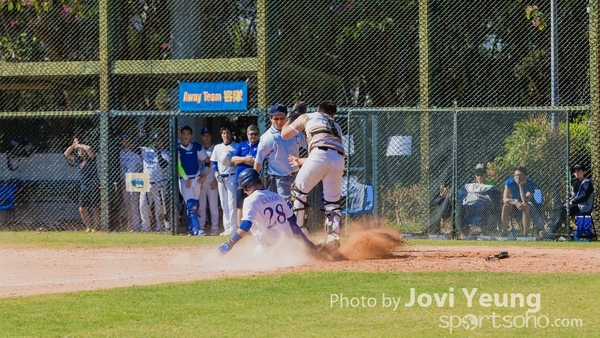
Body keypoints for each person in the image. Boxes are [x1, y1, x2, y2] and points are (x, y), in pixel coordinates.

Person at [282, 100, 345, 250]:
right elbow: (328, 152)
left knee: (298, 192)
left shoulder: (308, 116)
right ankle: (333, 237)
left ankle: (300, 235)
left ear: (318, 109)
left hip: (318, 156)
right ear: (333, 115)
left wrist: (294, 114)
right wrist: (300, 161)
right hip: (339, 160)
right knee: (333, 203)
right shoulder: (336, 126)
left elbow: (284, 134)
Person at [218, 168, 316, 255]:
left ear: (248, 185)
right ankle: (293, 252)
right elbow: (293, 224)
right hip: (287, 243)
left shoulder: (250, 200)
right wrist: (308, 244)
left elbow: (246, 225)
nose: (244, 191)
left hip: (270, 248)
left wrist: (230, 243)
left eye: (244, 188)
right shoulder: (277, 196)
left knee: (254, 257)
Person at [254, 103, 307, 202]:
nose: (279, 122)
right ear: (270, 119)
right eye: (276, 119)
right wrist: (254, 180)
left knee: (300, 206)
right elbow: (258, 161)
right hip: (279, 179)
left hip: (297, 176)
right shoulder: (267, 138)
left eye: (282, 118)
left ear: (287, 117)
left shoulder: (294, 132)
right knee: (286, 207)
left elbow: (308, 146)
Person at [177, 126, 209, 236]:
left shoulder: (197, 147)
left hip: (196, 179)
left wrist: (205, 174)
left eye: (188, 134)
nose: (186, 136)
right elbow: (178, 165)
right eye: (184, 133)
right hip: (185, 180)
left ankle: (190, 228)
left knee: (195, 204)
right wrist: (185, 179)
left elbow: (207, 161)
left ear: (191, 135)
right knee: (191, 204)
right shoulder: (177, 148)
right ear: (180, 135)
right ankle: (197, 229)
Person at [64, 137, 100, 232]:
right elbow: (66, 153)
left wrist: (78, 145)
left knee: (95, 208)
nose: (80, 151)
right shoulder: (78, 160)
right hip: (84, 187)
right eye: (78, 150)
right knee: (82, 209)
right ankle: (88, 226)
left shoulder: (91, 158)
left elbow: (88, 148)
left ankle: (96, 227)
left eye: (81, 150)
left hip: (93, 186)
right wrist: (73, 145)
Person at [547, 164, 595, 233]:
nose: (577, 173)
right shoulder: (574, 183)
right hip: (574, 205)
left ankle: (552, 231)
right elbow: (571, 195)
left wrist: (572, 202)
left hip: (583, 206)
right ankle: (549, 227)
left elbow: (584, 196)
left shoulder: (587, 183)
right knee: (557, 208)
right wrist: (565, 201)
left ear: (584, 172)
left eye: (579, 171)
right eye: (575, 171)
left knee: (563, 209)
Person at [140, 133, 171, 232]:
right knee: (142, 205)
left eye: (160, 141)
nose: (158, 142)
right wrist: (143, 134)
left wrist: (158, 152)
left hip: (159, 184)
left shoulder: (165, 153)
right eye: (156, 140)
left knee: (159, 207)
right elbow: (135, 144)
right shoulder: (145, 150)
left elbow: (163, 165)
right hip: (146, 183)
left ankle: (159, 227)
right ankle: (146, 227)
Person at [210, 126, 238, 236]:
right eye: (223, 133)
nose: (225, 135)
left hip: (232, 175)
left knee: (232, 202)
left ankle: (233, 226)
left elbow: (239, 160)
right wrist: (216, 173)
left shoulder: (236, 146)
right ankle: (227, 227)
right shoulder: (217, 147)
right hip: (221, 177)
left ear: (231, 134)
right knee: (223, 202)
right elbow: (213, 162)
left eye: (227, 133)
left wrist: (234, 163)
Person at [459, 163, 501, 236]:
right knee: (459, 209)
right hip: (471, 208)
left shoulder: (490, 185)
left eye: (481, 173)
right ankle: (463, 232)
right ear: (475, 175)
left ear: (485, 174)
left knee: (489, 211)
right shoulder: (471, 186)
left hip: (484, 208)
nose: (479, 176)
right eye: (477, 174)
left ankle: (484, 232)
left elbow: (494, 200)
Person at [231, 125, 260, 227]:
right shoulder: (242, 145)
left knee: (255, 204)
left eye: (255, 134)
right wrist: (245, 160)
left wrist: (242, 160)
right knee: (240, 205)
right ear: (247, 135)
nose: (253, 136)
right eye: (251, 134)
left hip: (254, 181)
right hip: (240, 181)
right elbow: (233, 159)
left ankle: (255, 228)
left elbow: (257, 161)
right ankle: (240, 227)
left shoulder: (260, 145)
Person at [501, 166, 537, 236]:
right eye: (516, 175)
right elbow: (505, 199)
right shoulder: (509, 182)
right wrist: (515, 202)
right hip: (514, 204)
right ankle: (504, 232)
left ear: (525, 176)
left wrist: (521, 186)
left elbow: (525, 200)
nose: (518, 177)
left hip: (527, 205)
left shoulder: (531, 184)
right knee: (505, 206)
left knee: (525, 206)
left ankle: (525, 233)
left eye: (520, 175)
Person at [197, 127, 220, 236]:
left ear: (211, 136)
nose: (206, 137)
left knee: (213, 205)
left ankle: (214, 227)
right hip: (201, 180)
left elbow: (218, 165)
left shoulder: (215, 148)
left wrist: (216, 180)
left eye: (208, 135)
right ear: (202, 136)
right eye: (204, 135)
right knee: (201, 206)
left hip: (211, 179)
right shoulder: (199, 148)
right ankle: (201, 227)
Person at [119, 132, 143, 232]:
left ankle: (136, 225)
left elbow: (142, 167)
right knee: (128, 204)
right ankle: (132, 224)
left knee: (135, 203)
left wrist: (138, 177)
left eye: (128, 140)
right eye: (124, 140)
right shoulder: (119, 154)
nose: (126, 142)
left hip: (134, 179)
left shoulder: (135, 154)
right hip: (124, 180)